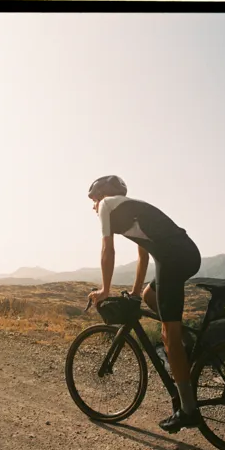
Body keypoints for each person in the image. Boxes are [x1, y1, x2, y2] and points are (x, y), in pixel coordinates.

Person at [87, 175, 202, 433]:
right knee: (152, 297)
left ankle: (187, 410)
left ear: (102, 194)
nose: (93, 207)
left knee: (168, 336)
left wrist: (105, 289)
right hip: (179, 254)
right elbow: (143, 256)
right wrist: (137, 293)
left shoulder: (108, 206)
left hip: (174, 258)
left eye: (93, 200)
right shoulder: (131, 209)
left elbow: (108, 249)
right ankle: (186, 344)